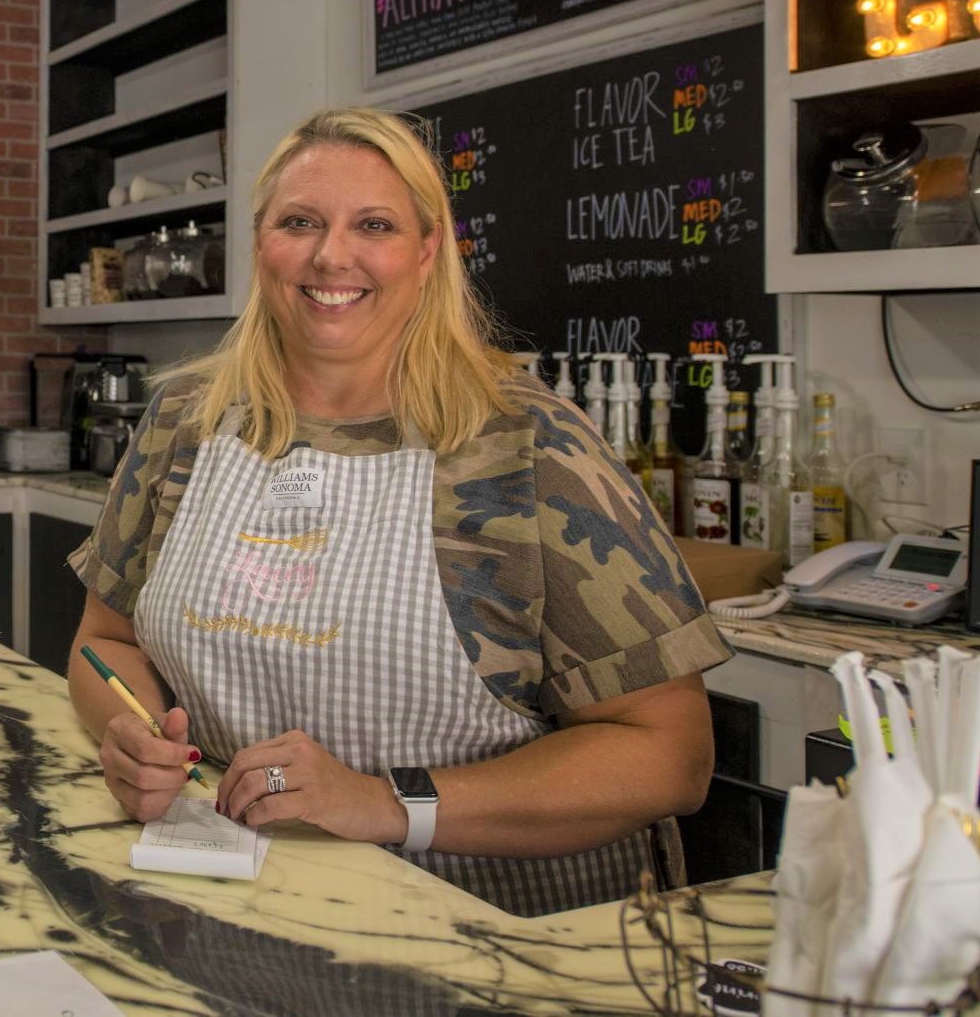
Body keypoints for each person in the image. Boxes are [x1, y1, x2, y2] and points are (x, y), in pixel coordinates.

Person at [66, 108, 731, 916]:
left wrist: (388, 801)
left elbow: (670, 754)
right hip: (233, 904)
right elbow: (104, 643)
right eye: (299, 222)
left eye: (374, 225)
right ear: (260, 243)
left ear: (427, 252)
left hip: (488, 932)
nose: (330, 254)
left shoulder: (529, 443)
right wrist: (133, 738)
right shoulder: (186, 420)